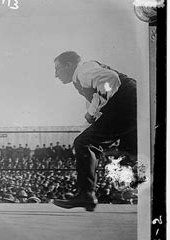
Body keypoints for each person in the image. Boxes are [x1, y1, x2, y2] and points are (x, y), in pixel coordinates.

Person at [53, 51, 137, 211]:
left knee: (85, 143)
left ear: (69, 65)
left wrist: (92, 112)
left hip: (126, 102)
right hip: (131, 102)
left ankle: (86, 195)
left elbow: (110, 80)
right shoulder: (83, 80)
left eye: (58, 69)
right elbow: (96, 107)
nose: (56, 74)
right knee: (131, 151)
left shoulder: (84, 70)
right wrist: (91, 114)